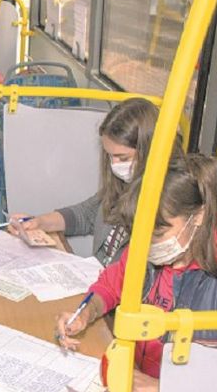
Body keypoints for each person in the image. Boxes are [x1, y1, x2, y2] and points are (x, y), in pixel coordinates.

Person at [56, 155, 217, 392]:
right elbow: (111, 285)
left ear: (198, 216)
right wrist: (85, 312)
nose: (147, 244)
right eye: (141, 232)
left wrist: (165, 390)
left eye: (158, 232)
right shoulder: (145, 255)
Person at [10, 98, 183, 267]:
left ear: (150, 152)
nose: (115, 164)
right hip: (98, 279)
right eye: (109, 156)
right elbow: (85, 214)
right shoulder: (122, 186)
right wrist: (39, 222)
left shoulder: (169, 206)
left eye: (123, 158)